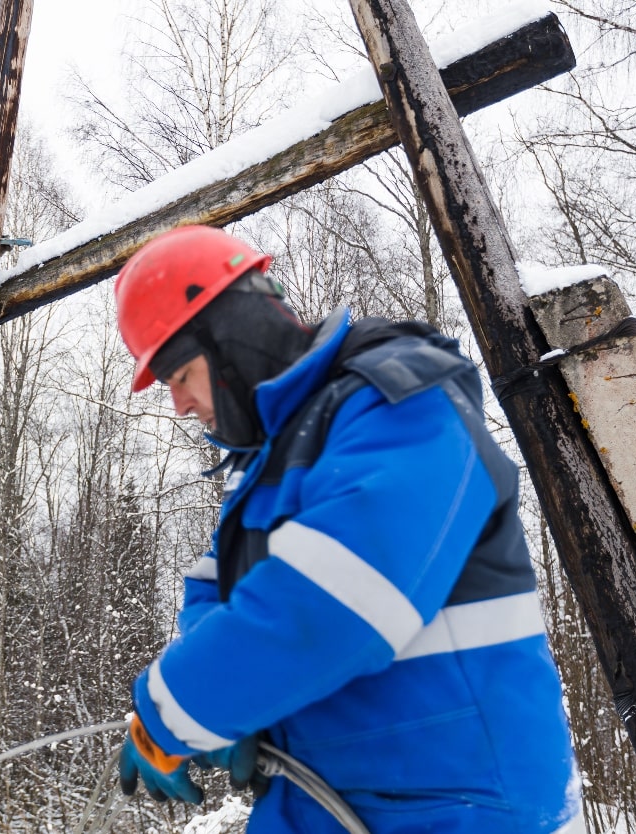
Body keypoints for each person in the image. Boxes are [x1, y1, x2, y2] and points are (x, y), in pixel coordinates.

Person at [112, 225, 581, 833]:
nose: (177, 405)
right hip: (331, 799)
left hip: (458, 802)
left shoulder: (402, 404)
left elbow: (333, 605)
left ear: (232, 338)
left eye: (178, 376)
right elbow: (214, 589)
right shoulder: (273, 461)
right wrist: (231, 709)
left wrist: (173, 709)